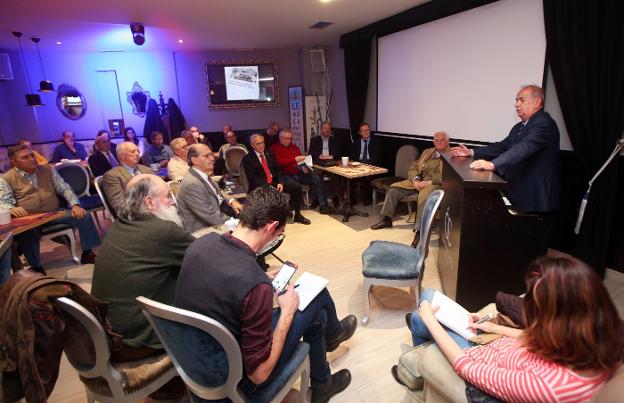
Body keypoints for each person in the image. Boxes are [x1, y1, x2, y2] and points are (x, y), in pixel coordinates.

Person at [175, 186, 357, 402]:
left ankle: (324, 378)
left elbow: (224, 285)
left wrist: (261, 280)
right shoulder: (254, 283)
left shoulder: (201, 244)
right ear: (272, 228)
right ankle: (330, 350)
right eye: (280, 233)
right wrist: (287, 312)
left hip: (196, 360)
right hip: (237, 382)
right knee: (314, 301)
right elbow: (259, 375)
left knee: (316, 315)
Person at [398, 255, 623, 402]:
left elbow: (465, 367)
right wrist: (493, 328)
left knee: (422, 312)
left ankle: (415, 375)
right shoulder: (595, 343)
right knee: (429, 303)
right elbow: (534, 336)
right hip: (494, 344)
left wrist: (430, 320)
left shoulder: (549, 387)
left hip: (477, 356)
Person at [92, 174, 194, 356]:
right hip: (139, 339)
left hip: (111, 331)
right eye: (168, 196)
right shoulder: (162, 231)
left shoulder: (119, 225)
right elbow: (208, 260)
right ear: (150, 202)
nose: (173, 201)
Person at [450, 85, 560, 216]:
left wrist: (492, 164)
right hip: (520, 194)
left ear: (537, 102)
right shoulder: (520, 126)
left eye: (522, 100)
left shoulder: (543, 123)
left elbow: (524, 148)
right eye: (516, 100)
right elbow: (502, 147)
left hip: (536, 199)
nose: (516, 104)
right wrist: (471, 152)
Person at [0, 145, 101, 271]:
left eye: (32, 155)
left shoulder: (47, 169)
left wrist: (75, 204)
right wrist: (11, 209)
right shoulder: (6, 178)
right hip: (30, 219)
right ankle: (36, 267)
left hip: (54, 213)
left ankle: (87, 253)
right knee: (27, 233)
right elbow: (3, 202)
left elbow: (64, 188)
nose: (32, 159)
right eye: (25, 157)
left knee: (84, 216)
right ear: (13, 162)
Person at [371, 131, 450, 246]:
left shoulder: (452, 155)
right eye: (436, 140)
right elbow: (413, 167)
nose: (438, 142)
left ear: (448, 141)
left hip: (434, 185)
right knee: (393, 190)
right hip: (418, 182)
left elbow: (448, 175)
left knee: (423, 197)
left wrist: (428, 182)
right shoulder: (427, 152)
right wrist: (416, 180)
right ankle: (387, 219)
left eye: (442, 140)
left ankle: (419, 231)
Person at [242, 133, 310, 225]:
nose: (261, 145)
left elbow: (279, 170)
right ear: (252, 145)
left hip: (274, 181)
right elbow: (253, 178)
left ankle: (297, 215)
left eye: (262, 143)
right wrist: (268, 187)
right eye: (258, 144)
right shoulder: (248, 158)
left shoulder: (270, 153)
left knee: (296, 187)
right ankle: (278, 217)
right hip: (260, 184)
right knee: (271, 194)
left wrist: (280, 182)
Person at [176, 143, 243, 233]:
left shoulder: (201, 175)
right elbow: (210, 216)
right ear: (195, 160)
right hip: (208, 228)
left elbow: (217, 192)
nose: (212, 158)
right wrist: (239, 224)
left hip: (223, 213)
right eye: (207, 156)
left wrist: (232, 201)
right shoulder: (192, 184)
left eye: (211, 155)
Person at [270, 128, 330, 214]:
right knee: (295, 185)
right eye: (286, 138)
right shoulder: (274, 148)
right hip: (285, 175)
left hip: (298, 172)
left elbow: (300, 162)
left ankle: (323, 204)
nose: (289, 141)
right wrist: (294, 159)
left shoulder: (295, 147)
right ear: (280, 138)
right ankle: (294, 205)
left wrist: (305, 167)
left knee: (317, 178)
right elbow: (278, 163)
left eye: (290, 138)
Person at [102, 142, 152, 216]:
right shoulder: (112, 176)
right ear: (121, 156)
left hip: (157, 206)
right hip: (137, 214)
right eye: (133, 151)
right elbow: (120, 205)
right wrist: (147, 208)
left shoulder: (147, 170)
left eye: (138, 151)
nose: (137, 153)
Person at [349, 123, 381, 205]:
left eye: (367, 130)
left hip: (370, 163)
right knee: (349, 176)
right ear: (360, 133)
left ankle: (367, 198)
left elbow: (376, 157)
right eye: (364, 131)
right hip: (357, 163)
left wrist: (366, 165)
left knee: (366, 175)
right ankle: (352, 199)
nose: (366, 132)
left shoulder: (376, 141)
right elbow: (352, 156)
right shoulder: (356, 142)